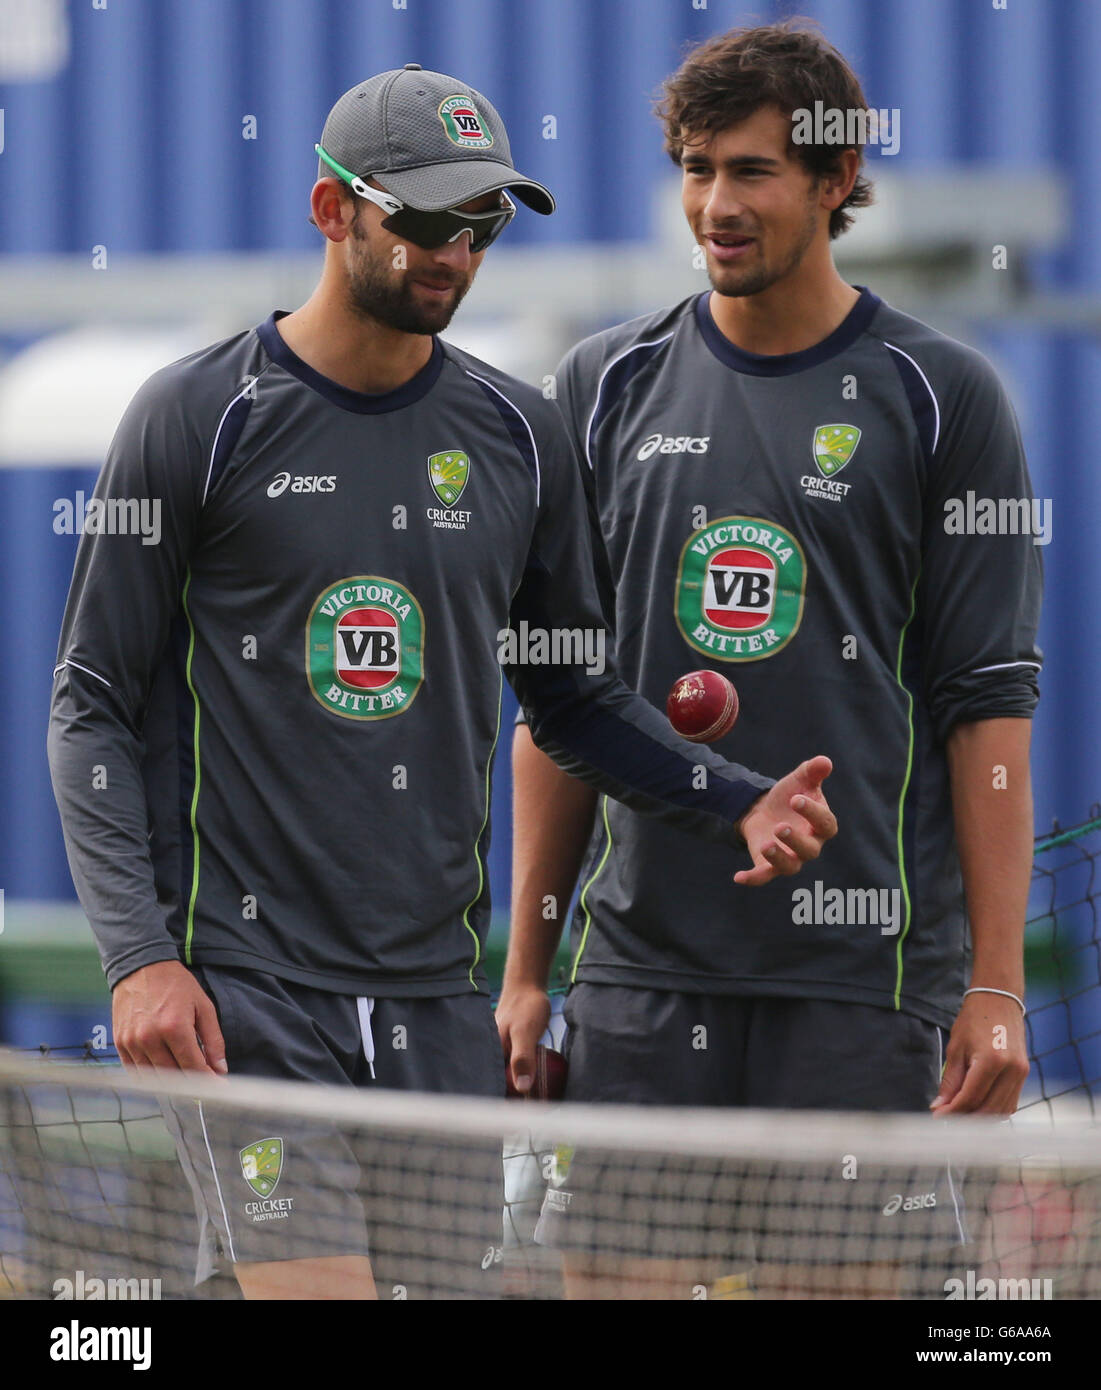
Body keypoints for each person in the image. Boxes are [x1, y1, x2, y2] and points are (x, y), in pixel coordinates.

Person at [47, 63, 836, 1301]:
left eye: (483, 224)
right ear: (331, 209)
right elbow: (87, 702)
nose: (454, 253)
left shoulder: (521, 439)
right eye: (420, 218)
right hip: (250, 998)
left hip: (438, 1005)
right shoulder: (197, 418)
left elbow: (570, 700)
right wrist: (140, 959)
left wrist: (730, 793)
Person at [496, 21, 1041, 1299]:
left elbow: (988, 712)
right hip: (638, 976)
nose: (714, 205)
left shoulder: (943, 397)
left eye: (751, 172)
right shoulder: (602, 384)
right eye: (695, 168)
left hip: (865, 986)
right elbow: (557, 703)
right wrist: (527, 969)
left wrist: (999, 987)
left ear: (839, 177)